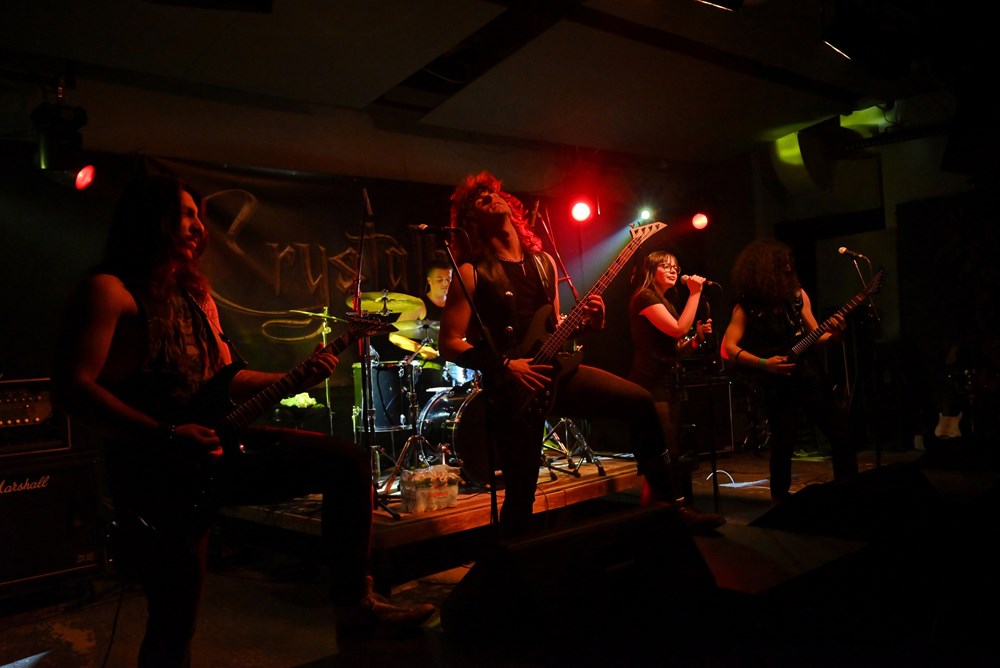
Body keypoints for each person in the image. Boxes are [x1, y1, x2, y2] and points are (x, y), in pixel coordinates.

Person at [52, 175, 434, 667]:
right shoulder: (110, 291)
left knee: (346, 463)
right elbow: (73, 387)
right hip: (155, 468)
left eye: (198, 216)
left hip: (213, 447)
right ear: (150, 220)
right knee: (174, 615)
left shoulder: (197, 297)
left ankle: (355, 607)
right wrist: (166, 435)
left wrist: (291, 378)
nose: (197, 226)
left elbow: (224, 378)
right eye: (185, 214)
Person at [437, 170, 724, 537]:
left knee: (641, 403)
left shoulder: (543, 263)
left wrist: (587, 324)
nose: (492, 198)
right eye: (480, 199)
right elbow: (449, 342)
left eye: (494, 193)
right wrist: (505, 365)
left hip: (558, 374)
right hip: (514, 390)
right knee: (521, 495)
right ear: (471, 219)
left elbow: (553, 327)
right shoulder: (471, 272)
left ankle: (670, 507)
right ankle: (510, 561)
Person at [721, 238, 858, 502]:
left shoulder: (797, 296)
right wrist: (764, 363)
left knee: (840, 431)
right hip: (774, 382)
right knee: (783, 442)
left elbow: (815, 335)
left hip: (807, 374)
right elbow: (729, 347)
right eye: (781, 263)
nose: (788, 266)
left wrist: (835, 336)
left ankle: (849, 492)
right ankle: (780, 500)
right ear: (764, 268)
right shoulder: (746, 305)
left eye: (789, 262)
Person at [628, 250, 714, 504]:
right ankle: (664, 509)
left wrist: (696, 340)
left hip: (668, 381)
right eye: (665, 266)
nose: (673, 271)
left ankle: (659, 509)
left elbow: (674, 349)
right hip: (650, 381)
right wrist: (695, 293)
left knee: (670, 450)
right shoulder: (645, 297)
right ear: (650, 270)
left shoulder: (665, 301)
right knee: (663, 450)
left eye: (675, 267)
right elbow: (678, 329)